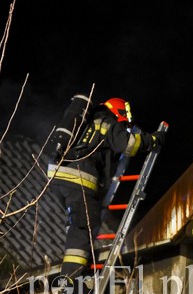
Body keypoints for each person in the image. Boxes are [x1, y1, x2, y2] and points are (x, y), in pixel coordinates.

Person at [47, 96, 166, 281]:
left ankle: (76, 273)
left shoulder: (89, 122)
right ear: (119, 111)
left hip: (59, 178)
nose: (124, 126)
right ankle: (70, 281)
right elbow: (128, 144)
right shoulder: (106, 120)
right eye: (124, 122)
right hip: (78, 180)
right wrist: (152, 140)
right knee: (82, 229)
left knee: (79, 225)